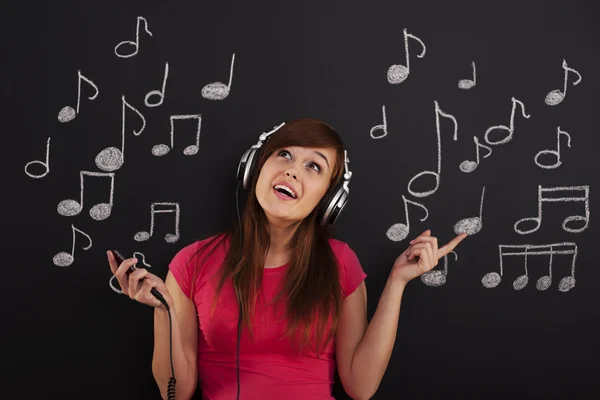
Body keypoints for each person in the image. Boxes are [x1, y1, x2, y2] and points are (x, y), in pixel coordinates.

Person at [107, 118, 467, 400]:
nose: (293, 170)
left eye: (314, 166)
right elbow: (177, 392)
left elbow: (360, 386)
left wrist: (397, 282)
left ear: (329, 200)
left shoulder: (340, 263)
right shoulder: (192, 262)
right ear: (255, 169)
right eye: (284, 154)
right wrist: (162, 309)